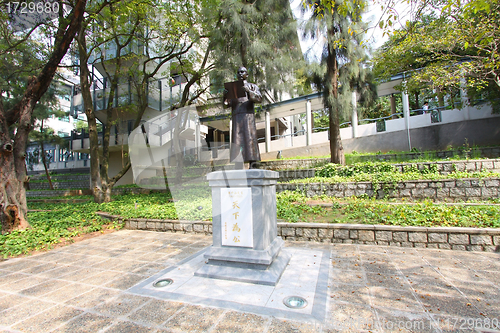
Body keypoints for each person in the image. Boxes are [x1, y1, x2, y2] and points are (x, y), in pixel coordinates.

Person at [223, 67, 262, 169]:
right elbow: (226, 104)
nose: (240, 74)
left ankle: (253, 164)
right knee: (237, 140)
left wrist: (249, 92)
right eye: (238, 72)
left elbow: (259, 98)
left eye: (242, 72)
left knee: (250, 138)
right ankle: (238, 164)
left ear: (246, 74)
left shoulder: (252, 86)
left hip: (248, 115)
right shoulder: (233, 89)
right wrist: (225, 95)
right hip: (237, 116)